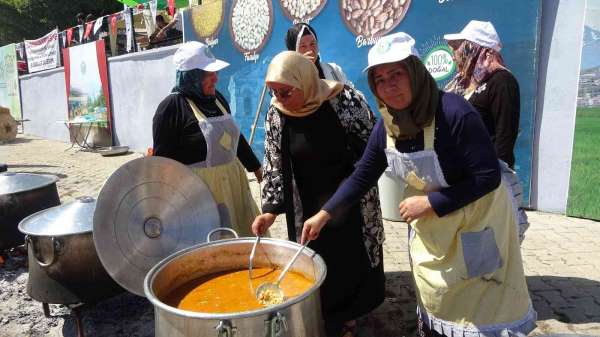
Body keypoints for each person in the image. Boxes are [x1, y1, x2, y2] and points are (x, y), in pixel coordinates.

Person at [302, 32, 537, 337]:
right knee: (440, 299)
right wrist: (325, 213)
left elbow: (487, 177)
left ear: (416, 71)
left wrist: (430, 203)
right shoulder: (386, 126)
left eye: (397, 73)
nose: (390, 85)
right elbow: (363, 175)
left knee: (481, 301)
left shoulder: (454, 113)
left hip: (478, 217)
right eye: (381, 79)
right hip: (435, 229)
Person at [251, 51, 385, 337]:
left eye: (285, 92)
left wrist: (346, 195)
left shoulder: (345, 100)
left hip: (348, 200)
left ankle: (348, 318)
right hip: (305, 201)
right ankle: (320, 316)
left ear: (306, 82)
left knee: (347, 260)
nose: (279, 99)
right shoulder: (276, 112)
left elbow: (372, 150)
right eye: (273, 92)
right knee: (311, 260)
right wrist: (270, 210)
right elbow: (273, 160)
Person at [152, 41, 262, 237]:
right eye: (208, 74)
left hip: (233, 185)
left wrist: (255, 167)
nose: (216, 78)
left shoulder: (217, 99)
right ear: (191, 77)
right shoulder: (170, 109)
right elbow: (163, 164)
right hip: (200, 195)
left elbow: (235, 137)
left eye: (215, 73)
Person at [444, 20, 529, 243]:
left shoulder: (502, 81)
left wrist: (493, 183)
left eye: (459, 47)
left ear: (476, 48)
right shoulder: (463, 83)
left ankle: (492, 276)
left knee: (487, 238)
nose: (454, 54)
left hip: (485, 177)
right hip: (459, 176)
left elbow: (504, 136)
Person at [285, 23, 350, 85]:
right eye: (303, 46)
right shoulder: (286, 79)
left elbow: (353, 94)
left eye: (312, 44)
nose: (309, 50)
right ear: (293, 51)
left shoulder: (334, 70)